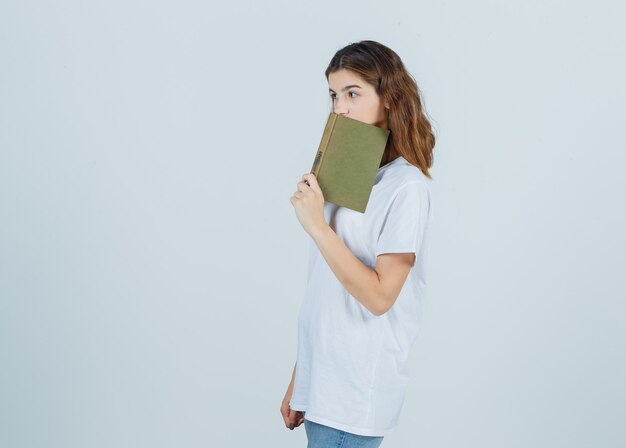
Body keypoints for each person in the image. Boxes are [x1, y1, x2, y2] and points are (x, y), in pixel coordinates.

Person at [281, 40, 436, 447]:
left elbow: (381, 296)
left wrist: (318, 227)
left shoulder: (407, 187)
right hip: (323, 385)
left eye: (353, 93)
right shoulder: (348, 175)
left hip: (356, 387)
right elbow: (326, 288)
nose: (340, 108)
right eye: (334, 95)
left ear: (389, 98)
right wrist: (302, 379)